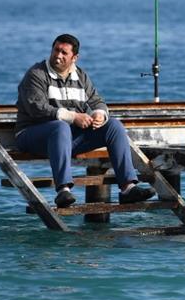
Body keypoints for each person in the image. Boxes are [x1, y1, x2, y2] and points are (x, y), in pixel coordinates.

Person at [15, 34, 156, 208]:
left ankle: (128, 188)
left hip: (66, 138)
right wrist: (74, 117)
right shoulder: (36, 74)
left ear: (74, 57)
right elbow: (37, 109)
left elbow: (97, 101)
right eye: (56, 50)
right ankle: (63, 191)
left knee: (113, 125)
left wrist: (99, 114)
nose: (58, 55)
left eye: (64, 53)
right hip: (32, 135)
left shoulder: (80, 76)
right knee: (60, 127)